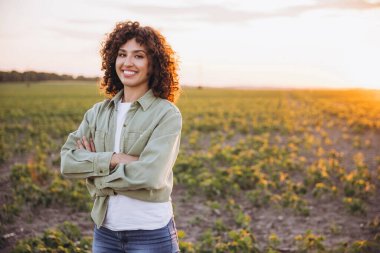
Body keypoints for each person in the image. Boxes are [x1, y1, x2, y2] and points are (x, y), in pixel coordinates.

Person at [60, 20, 181, 253]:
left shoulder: (166, 114)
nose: (128, 62)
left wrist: (96, 176)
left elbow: (150, 175)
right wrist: (114, 158)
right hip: (105, 232)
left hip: (151, 233)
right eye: (122, 54)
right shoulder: (96, 113)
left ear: (153, 64)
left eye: (138, 56)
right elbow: (68, 162)